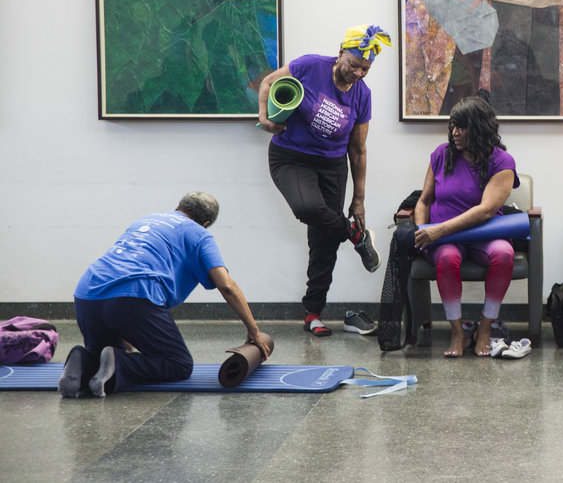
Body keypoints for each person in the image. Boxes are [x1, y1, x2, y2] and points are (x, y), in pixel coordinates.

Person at [59, 192, 271, 398]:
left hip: (87, 294)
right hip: (133, 296)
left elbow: (120, 271)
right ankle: (118, 362)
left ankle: (84, 360)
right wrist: (254, 330)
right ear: (205, 222)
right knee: (179, 364)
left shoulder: (146, 220)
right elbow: (226, 285)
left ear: (179, 207)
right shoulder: (200, 233)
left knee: (101, 357)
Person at [258, 24, 392, 338]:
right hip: (290, 156)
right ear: (341, 52)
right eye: (354, 64)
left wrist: (358, 199)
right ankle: (357, 236)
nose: (358, 73)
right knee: (307, 208)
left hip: (332, 166)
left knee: (324, 242)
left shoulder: (362, 96)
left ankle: (313, 313)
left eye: (366, 69)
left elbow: (358, 150)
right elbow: (267, 82)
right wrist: (265, 118)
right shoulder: (309, 66)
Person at [413, 94, 518, 357]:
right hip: (444, 240)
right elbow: (423, 200)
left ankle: (485, 328)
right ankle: (457, 332)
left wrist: (439, 229)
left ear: (480, 128)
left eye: (461, 127)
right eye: (452, 126)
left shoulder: (502, 162)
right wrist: (421, 230)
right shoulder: (441, 155)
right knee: (447, 257)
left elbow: (485, 211)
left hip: (484, 233)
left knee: (504, 254)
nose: (454, 132)